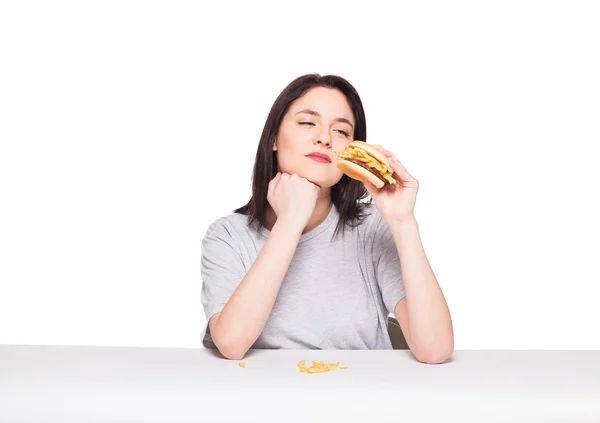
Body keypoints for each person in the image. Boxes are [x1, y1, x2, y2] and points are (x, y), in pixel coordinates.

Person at [200, 74, 454, 363]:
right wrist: (291, 221)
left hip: (359, 399)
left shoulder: (371, 229)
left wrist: (403, 222)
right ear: (273, 139)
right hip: (267, 400)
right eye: (308, 123)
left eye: (342, 131)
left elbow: (435, 350)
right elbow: (232, 343)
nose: (325, 138)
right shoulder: (227, 236)